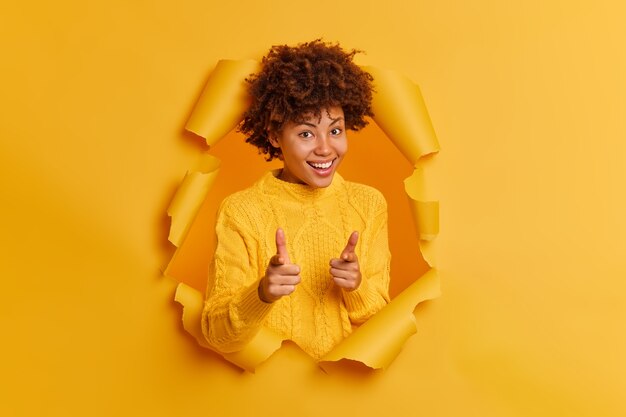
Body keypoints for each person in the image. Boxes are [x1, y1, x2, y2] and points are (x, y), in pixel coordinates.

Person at [202, 40, 391, 360]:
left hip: (346, 396)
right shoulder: (242, 212)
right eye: (306, 134)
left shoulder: (368, 204)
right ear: (275, 136)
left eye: (335, 130)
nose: (325, 149)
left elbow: (384, 332)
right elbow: (218, 337)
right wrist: (261, 294)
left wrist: (355, 286)